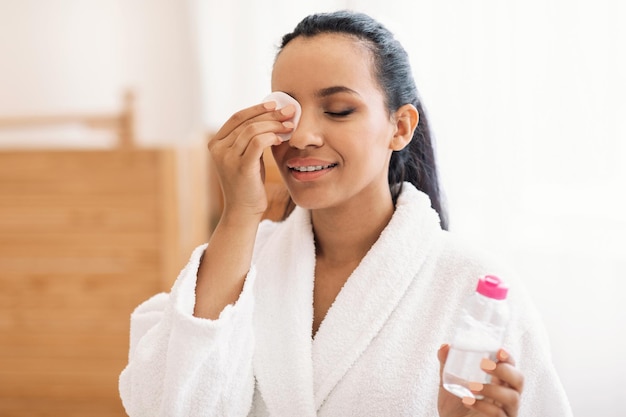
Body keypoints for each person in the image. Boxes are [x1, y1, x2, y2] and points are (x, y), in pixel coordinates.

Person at [119, 10, 573, 417]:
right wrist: (240, 210)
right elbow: (168, 404)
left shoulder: (475, 289)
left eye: (338, 110)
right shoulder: (239, 263)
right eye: (287, 114)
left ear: (400, 127)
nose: (302, 138)